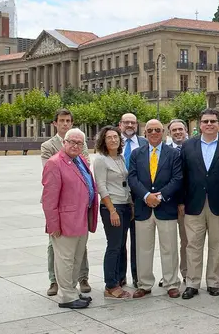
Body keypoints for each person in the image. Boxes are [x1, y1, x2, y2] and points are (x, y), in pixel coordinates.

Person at [180, 108, 219, 299]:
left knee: (218, 244)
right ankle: (192, 283)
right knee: (193, 245)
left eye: (213, 121)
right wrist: (181, 201)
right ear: (200, 124)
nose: (209, 124)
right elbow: (182, 176)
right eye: (205, 121)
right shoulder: (188, 145)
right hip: (193, 204)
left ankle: (214, 282)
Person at [41, 128, 98, 309]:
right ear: (64, 142)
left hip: (81, 218)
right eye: (71, 142)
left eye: (79, 143)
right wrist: (53, 224)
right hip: (65, 222)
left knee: (76, 258)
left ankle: (72, 291)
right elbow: (49, 199)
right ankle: (67, 296)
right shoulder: (54, 163)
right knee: (65, 259)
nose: (75, 145)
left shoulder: (79, 159)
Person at [128, 119, 183, 299]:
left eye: (157, 130)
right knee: (143, 248)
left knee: (169, 248)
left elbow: (177, 178)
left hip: (165, 207)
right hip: (143, 208)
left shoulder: (173, 154)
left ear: (163, 133)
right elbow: (133, 179)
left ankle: (171, 283)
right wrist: (146, 196)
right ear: (145, 133)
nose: (153, 133)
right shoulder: (137, 154)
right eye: (150, 130)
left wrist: (158, 197)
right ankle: (144, 284)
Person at [93, 126, 132, 299]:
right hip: (112, 207)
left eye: (116, 137)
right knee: (114, 246)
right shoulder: (101, 160)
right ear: (103, 140)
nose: (113, 140)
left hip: (124, 205)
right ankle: (110, 285)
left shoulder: (120, 158)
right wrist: (112, 210)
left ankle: (119, 279)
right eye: (109, 137)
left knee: (121, 245)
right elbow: (101, 186)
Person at [120, 113, 148, 288]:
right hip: (120, 199)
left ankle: (139, 277)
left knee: (139, 241)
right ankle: (120, 277)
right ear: (120, 124)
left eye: (133, 122)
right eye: (126, 122)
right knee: (119, 241)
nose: (130, 125)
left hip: (139, 199)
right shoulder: (113, 142)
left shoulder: (144, 143)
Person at [160, 119, 188, 288]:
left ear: (186, 131)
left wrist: (183, 201)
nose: (178, 132)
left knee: (186, 241)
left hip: (187, 204)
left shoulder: (192, 148)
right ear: (169, 133)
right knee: (167, 243)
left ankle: (186, 273)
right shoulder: (163, 151)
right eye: (174, 130)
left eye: (180, 129)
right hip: (168, 203)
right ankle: (169, 276)